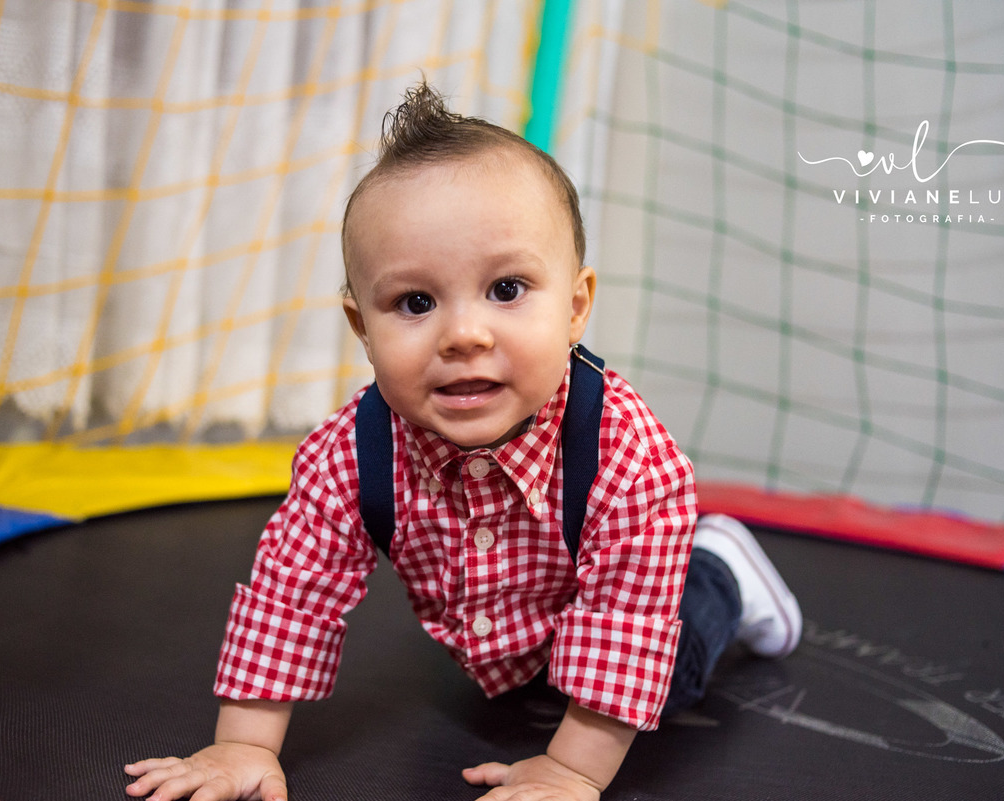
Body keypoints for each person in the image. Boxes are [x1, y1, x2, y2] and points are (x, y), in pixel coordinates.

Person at [124, 82, 801, 801]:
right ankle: (545, 654)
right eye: (415, 302)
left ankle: (722, 567)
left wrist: (570, 772)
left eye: (506, 289)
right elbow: (291, 595)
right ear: (362, 328)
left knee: (669, 678)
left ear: (575, 307)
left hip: (623, 598)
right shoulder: (349, 453)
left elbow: (624, 625)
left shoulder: (629, 457)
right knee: (532, 685)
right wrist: (243, 745)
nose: (464, 335)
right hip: (513, 632)